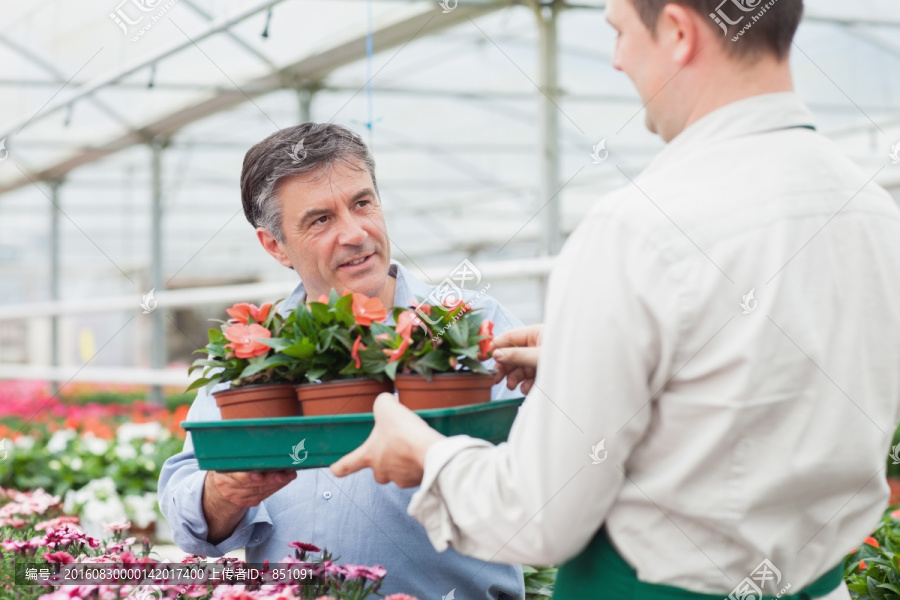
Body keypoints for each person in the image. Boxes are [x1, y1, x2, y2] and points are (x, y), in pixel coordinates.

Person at [330, 0, 900, 598]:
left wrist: (426, 454)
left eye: (620, 32)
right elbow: (771, 380)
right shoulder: (874, 213)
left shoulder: (640, 227)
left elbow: (538, 516)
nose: (616, 60)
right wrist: (599, 360)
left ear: (678, 32)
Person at [158, 123, 526, 599]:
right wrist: (223, 493)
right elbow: (186, 512)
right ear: (275, 246)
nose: (355, 234)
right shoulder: (251, 349)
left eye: (362, 203)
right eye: (320, 220)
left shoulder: (468, 323)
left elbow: (549, 481)